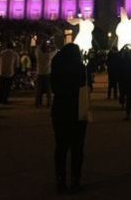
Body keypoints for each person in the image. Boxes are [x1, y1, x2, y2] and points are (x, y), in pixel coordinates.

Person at [51, 43, 88, 194]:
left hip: (60, 110)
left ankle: (60, 179)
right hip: (77, 110)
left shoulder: (56, 66)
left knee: (61, 146)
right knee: (77, 148)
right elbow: (83, 86)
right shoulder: (79, 67)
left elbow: (53, 87)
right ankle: (75, 179)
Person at [35, 39, 55, 107]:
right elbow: (55, 51)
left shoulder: (38, 54)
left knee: (38, 89)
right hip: (47, 73)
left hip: (39, 73)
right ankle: (49, 103)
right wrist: (52, 44)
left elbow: (37, 48)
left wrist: (41, 43)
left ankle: (37, 103)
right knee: (48, 90)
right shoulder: (48, 56)